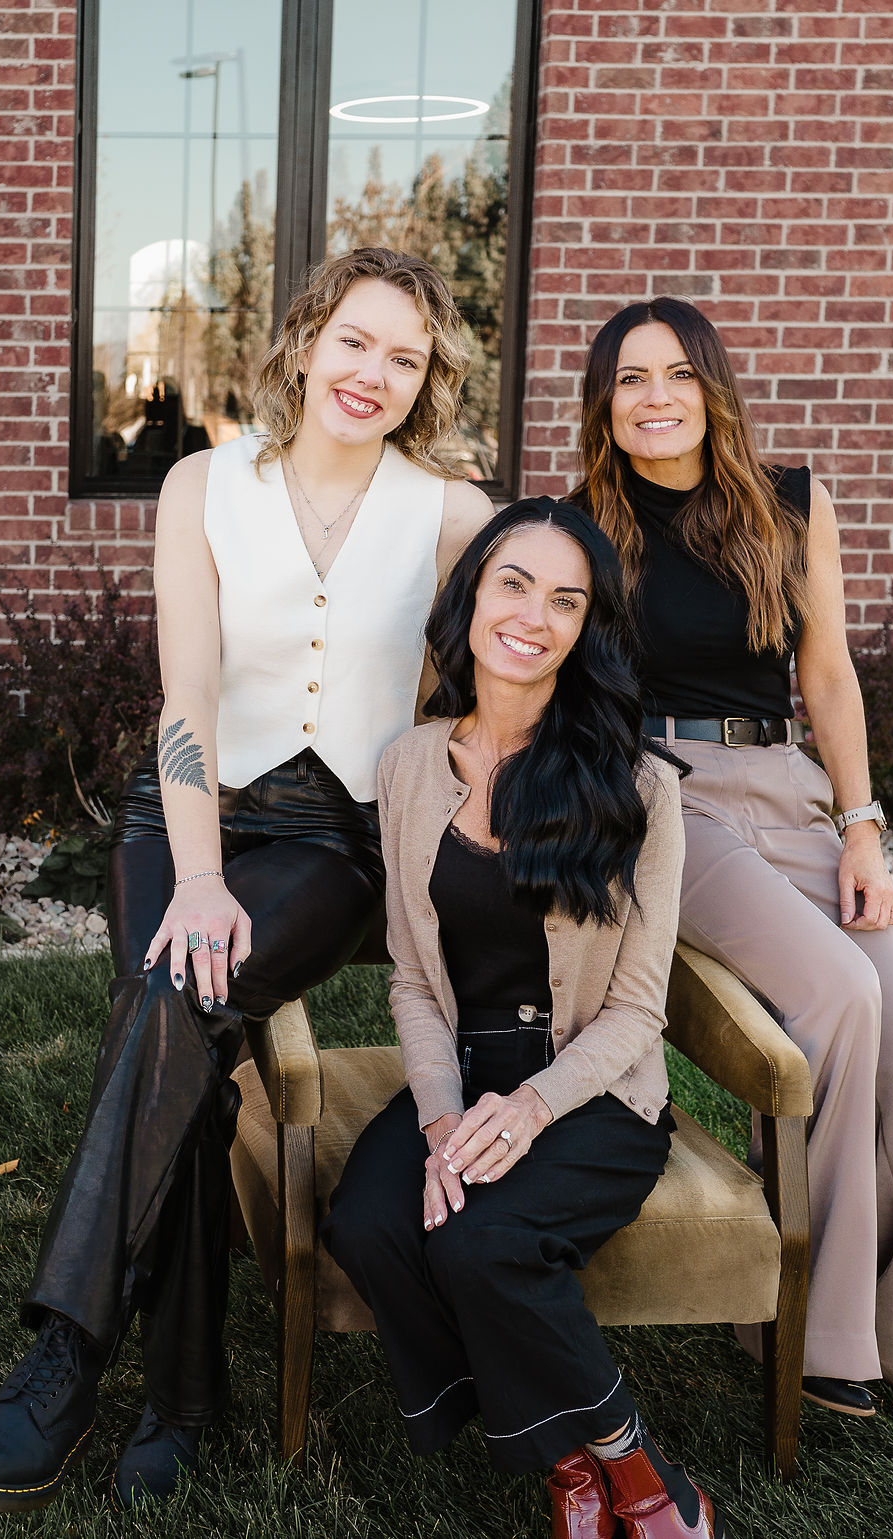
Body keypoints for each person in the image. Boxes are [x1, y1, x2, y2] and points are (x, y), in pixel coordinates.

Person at [0, 247, 493, 1513]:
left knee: (171, 1004)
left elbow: (498, 679)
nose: (373, 374)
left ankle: (66, 1356)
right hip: (184, 815)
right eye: (356, 341)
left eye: (405, 359)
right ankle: (180, 1400)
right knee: (184, 1045)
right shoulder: (202, 484)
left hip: (335, 837)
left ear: (426, 382)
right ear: (308, 340)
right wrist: (200, 877)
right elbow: (189, 692)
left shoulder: (450, 514)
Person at [571, 296, 893, 1417]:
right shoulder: (581, 524)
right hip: (666, 799)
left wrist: (861, 829)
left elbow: (827, 675)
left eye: (676, 374)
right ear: (603, 405)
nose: (655, 398)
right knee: (839, 995)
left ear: (713, 387)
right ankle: (816, 1333)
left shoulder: (790, 501)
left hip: (787, 790)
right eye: (629, 379)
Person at [323, 499, 726, 1539]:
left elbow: (637, 1011)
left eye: (565, 600)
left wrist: (532, 1109)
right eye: (513, 583)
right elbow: (414, 981)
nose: (532, 617)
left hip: (589, 1087)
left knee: (481, 1244)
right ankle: (564, 1458)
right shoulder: (408, 766)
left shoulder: (636, 786)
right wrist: (441, 1120)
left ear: (586, 628)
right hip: (461, 1072)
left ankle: (638, 1475)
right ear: (471, 598)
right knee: (370, 1221)